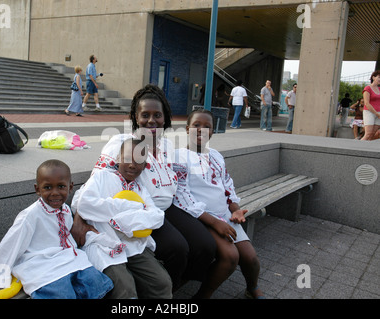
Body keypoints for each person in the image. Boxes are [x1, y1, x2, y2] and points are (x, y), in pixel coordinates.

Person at [71, 84, 216, 292]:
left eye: (157, 114)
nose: (151, 120)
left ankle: (173, 287)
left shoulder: (167, 146)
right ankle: (162, 290)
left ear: (165, 117)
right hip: (141, 212)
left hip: (169, 207)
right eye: (145, 115)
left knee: (206, 246)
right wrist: (79, 219)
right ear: (135, 117)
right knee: (178, 248)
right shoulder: (122, 143)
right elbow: (94, 182)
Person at [0, 160, 113, 299]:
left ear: (70, 187)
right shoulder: (30, 216)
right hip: (41, 264)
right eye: (47, 187)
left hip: (68, 259)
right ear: (37, 189)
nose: (55, 193)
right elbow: (8, 248)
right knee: (62, 294)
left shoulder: (65, 209)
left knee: (95, 282)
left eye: (61, 186)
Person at [173, 108, 264, 299]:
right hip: (203, 218)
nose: (201, 130)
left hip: (225, 215)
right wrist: (214, 222)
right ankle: (203, 295)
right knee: (230, 257)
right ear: (187, 128)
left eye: (207, 127)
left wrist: (236, 210)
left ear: (213, 132)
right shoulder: (178, 157)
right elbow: (182, 196)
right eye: (196, 125)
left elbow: (227, 186)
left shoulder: (216, 156)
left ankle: (252, 288)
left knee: (251, 258)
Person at [72, 138, 172, 298]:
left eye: (139, 161)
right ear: (118, 158)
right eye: (127, 159)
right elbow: (85, 205)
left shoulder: (140, 189)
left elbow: (157, 217)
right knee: (125, 288)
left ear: (145, 165)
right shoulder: (102, 177)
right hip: (104, 245)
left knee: (162, 283)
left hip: (134, 246)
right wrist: (133, 208)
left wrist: (118, 219)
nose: (132, 165)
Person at [361, 70, 380, 141]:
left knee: (372, 135)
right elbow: (367, 103)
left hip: (379, 114)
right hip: (370, 112)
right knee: (368, 134)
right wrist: (376, 114)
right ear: (373, 77)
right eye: (379, 77)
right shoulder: (367, 88)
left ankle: (366, 150)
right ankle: (356, 149)